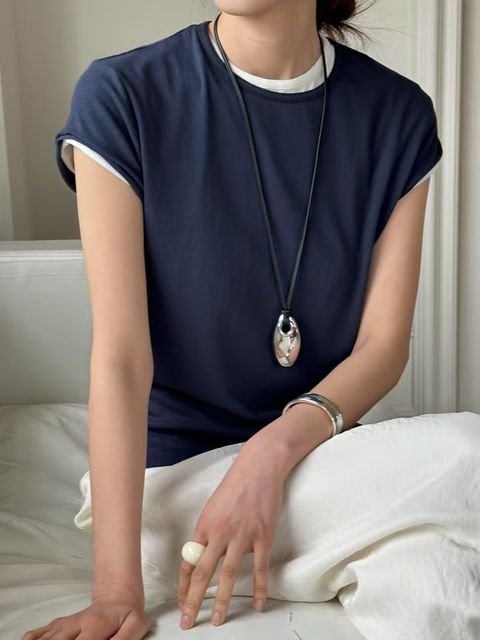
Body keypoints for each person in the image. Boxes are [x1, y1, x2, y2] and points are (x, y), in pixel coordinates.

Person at [23, 1, 443, 638]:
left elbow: (383, 347)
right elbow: (121, 358)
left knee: (450, 524)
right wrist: (114, 592)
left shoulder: (397, 113)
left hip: (319, 465)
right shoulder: (124, 94)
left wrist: (267, 456)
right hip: (173, 493)